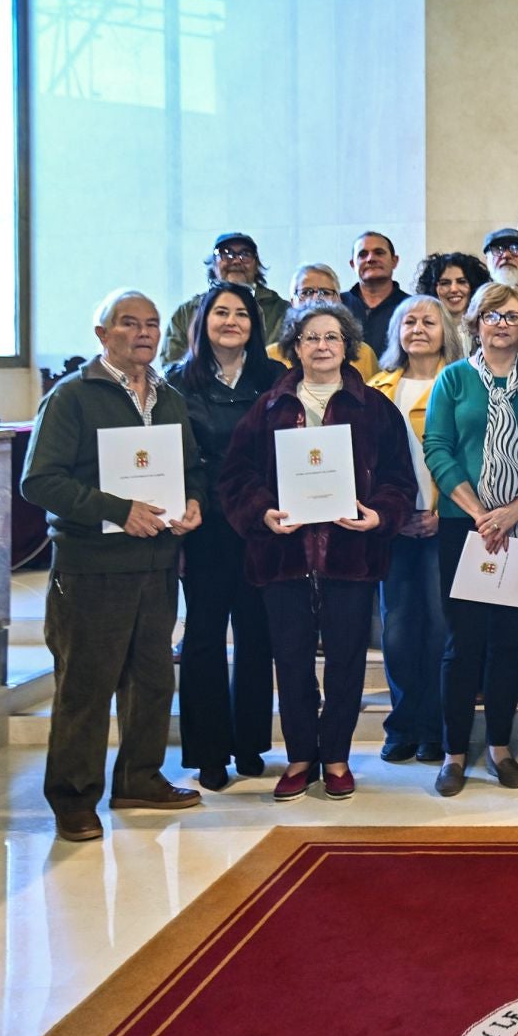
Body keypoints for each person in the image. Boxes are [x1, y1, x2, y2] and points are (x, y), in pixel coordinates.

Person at [20, 290, 206, 842]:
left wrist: (193, 503)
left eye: (151, 324)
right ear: (102, 334)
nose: (144, 333)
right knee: (86, 686)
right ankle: (74, 799)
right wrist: (117, 510)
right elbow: (40, 481)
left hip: (156, 564)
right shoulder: (73, 397)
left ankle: (140, 778)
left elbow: (190, 468)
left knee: (151, 679)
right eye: (130, 323)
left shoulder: (168, 397)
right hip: (91, 567)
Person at [217, 300, 415, 803]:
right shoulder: (268, 408)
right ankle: (301, 756)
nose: (322, 346)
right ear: (294, 348)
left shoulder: (375, 408)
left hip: (351, 555)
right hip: (283, 556)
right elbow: (236, 476)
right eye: (311, 338)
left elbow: (398, 479)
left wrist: (379, 516)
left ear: (347, 346)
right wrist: (262, 512)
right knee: (292, 660)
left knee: (347, 659)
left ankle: (337, 757)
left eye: (332, 337)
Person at [423, 282, 518, 795]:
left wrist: (514, 511)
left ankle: (500, 748)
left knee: (509, 643)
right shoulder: (453, 379)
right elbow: (438, 446)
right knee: (463, 644)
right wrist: (481, 513)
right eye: (491, 315)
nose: (502, 324)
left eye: (512, 316)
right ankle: (454, 754)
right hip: (466, 528)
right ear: (475, 322)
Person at [162, 283, 286, 791]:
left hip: (263, 523)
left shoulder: (275, 378)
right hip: (206, 523)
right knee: (206, 637)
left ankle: (251, 741)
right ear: (202, 321)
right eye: (220, 312)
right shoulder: (177, 382)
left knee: (258, 636)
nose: (231, 321)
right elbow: (174, 453)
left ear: (255, 326)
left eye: (241, 313)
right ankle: (208, 751)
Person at [368, 294, 467, 765]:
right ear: (396, 332)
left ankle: (436, 729)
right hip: (391, 527)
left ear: (446, 330)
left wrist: (440, 509)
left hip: (443, 523)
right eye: (409, 320)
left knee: (440, 629)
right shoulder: (376, 387)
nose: (419, 328)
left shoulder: (462, 384)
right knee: (398, 631)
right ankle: (403, 724)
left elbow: (469, 456)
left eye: (429, 320)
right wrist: (393, 513)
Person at [163, 233, 290, 365]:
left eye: (245, 254)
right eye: (226, 253)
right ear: (213, 263)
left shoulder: (282, 312)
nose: (235, 261)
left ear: (256, 264)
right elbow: (171, 364)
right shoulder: (186, 313)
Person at [276, 265, 381, 378]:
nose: (316, 299)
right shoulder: (273, 355)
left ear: (339, 300)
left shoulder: (364, 354)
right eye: (306, 292)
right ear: (292, 302)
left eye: (325, 292)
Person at [343, 230, 410, 348]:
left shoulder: (411, 307)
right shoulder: (338, 304)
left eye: (379, 253)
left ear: (394, 261)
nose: (370, 259)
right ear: (353, 264)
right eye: (362, 254)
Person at [417, 252, 493, 347]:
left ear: (474, 286)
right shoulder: (423, 331)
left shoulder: (488, 328)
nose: (453, 289)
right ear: (432, 288)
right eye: (445, 283)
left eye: (462, 282)